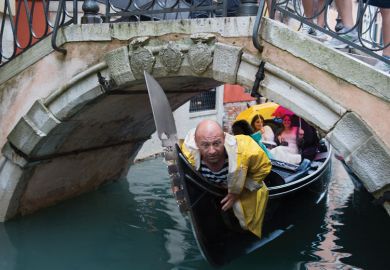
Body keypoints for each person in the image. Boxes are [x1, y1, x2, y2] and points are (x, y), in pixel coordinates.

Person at [181, 120, 272, 238]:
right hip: (212, 192)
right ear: (196, 143)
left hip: (244, 194)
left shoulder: (246, 149)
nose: (212, 151)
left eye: (217, 143)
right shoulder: (188, 154)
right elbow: (177, 169)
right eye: (205, 145)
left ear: (224, 138)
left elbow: (264, 167)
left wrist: (238, 190)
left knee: (246, 224)